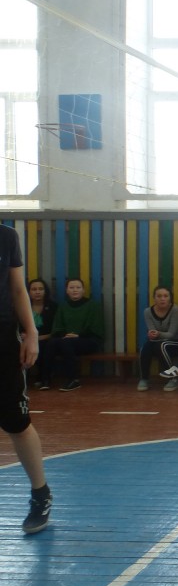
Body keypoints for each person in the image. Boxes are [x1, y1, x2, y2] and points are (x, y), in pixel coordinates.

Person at [1, 227, 51, 533]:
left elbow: (18, 289)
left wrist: (31, 333)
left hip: (3, 338)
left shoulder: (6, 237)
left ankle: (40, 494)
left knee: (17, 422)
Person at [37, 277, 104, 392]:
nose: (75, 290)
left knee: (65, 343)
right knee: (51, 343)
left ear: (83, 290)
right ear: (67, 290)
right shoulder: (63, 306)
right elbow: (57, 326)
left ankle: (73, 380)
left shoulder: (93, 306)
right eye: (71, 287)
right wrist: (65, 334)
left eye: (78, 287)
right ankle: (45, 379)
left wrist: (78, 335)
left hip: (89, 340)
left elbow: (96, 327)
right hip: (65, 339)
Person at [137, 285, 178, 391]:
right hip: (158, 343)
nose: (162, 299)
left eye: (165, 296)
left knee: (162, 345)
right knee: (145, 347)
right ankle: (144, 379)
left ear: (170, 298)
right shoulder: (147, 311)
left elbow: (171, 334)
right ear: (154, 298)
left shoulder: (176, 310)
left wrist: (157, 334)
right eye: (159, 296)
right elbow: (152, 332)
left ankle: (173, 379)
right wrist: (151, 334)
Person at [27, 278, 56, 387]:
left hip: (47, 339)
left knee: (45, 346)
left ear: (45, 291)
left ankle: (44, 378)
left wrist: (40, 337)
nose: (37, 292)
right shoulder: (24, 306)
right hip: (27, 338)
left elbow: (57, 330)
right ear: (29, 292)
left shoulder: (53, 307)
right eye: (34, 289)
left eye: (40, 289)